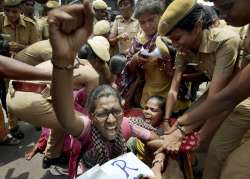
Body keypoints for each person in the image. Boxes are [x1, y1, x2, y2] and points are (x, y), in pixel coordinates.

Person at [47, 3, 165, 178]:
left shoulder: (125, 125)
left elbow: (157, 140)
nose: (111, 120)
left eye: (116, 112)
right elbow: (64, 114)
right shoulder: (85, 129)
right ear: (92, 116)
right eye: (102, 114)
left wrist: (156, 166)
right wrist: (63, 59)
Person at [156, 0, 250, 179]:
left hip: (239, 99)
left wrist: (191, 135)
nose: (175, 45)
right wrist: (170, 122)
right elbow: (175, 86)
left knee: (218, 150)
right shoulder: (183, 48)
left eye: (177, 38)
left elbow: (222, 100)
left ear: (197, 27)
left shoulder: (225, 41)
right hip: (223, 96)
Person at [124, 0, 189, 113]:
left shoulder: (173, 38)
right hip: (147, 99)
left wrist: (171, 70)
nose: (147, 25)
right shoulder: (138, 41)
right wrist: (135, 60)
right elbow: (130, 71)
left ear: (160, 16)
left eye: (151, 19)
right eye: (142, 22)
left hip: (173, 100)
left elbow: (190, 69)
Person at [0, 55, 51, 145]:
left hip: (26, 65)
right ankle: (13, 128)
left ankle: (36, 121)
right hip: (13, 68)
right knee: (11, 98)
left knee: (33, 96)